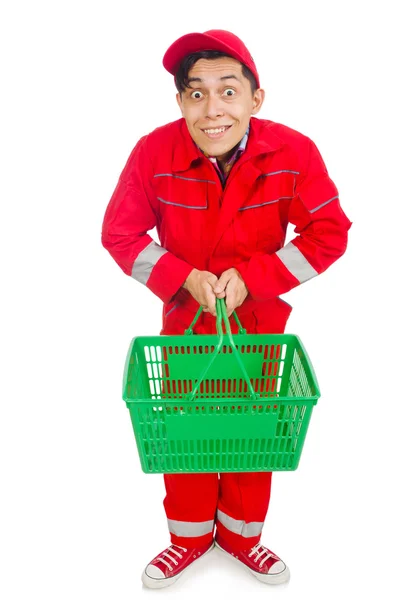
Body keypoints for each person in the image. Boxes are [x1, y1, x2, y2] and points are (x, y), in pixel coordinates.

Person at [102, 29, 351, 589]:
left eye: (228, 91)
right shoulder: (153, 152)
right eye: (196, 94)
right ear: (180, 102)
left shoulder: (293, 152)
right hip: (185, 325)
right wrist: (182, 278)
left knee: (252, 433)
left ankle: (241, 538)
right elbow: (119, 234)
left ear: (255, 99)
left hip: (259, 326)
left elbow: (329, 232)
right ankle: (187, 541)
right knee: (187, 432)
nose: (212, 110)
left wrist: (257, 278)